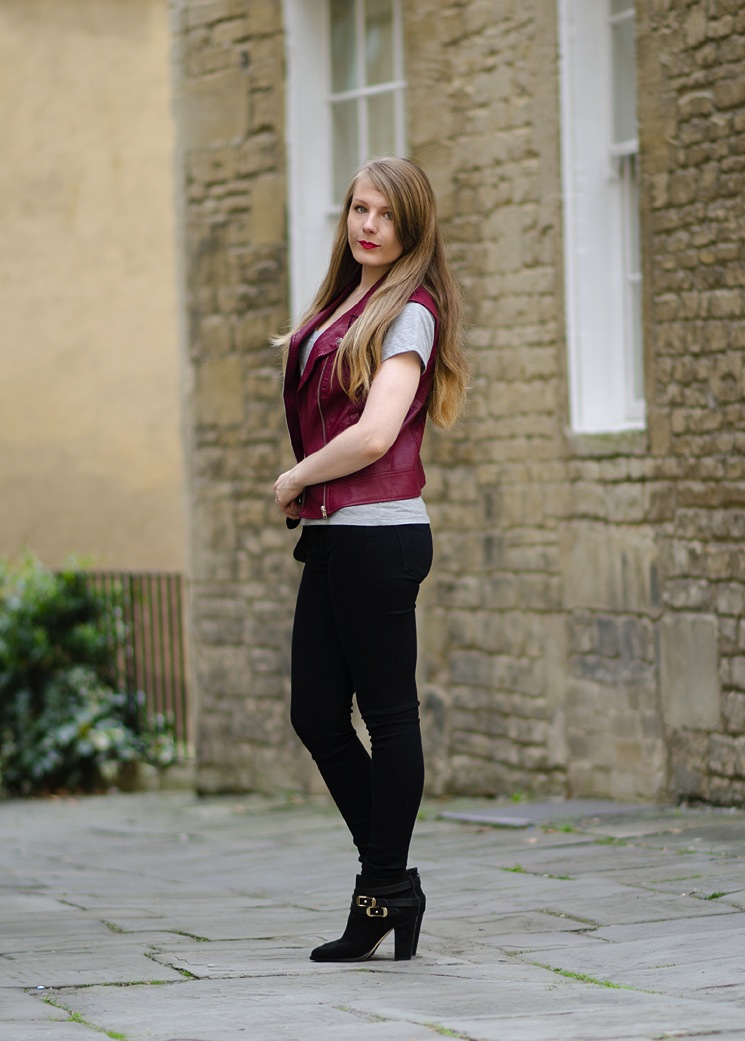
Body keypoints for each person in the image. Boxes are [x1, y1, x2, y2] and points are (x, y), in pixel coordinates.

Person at [273, 156, 468, 962]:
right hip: (334, 536)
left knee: (388, 717)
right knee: (316, 713)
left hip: (379, 534)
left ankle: (381, 888)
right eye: (358, 208)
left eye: (385, 214)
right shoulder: (347, 302)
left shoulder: (409, 312)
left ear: (411, 226)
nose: (367, 225)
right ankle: (392, 885)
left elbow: (377, 433)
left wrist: (292, 476)